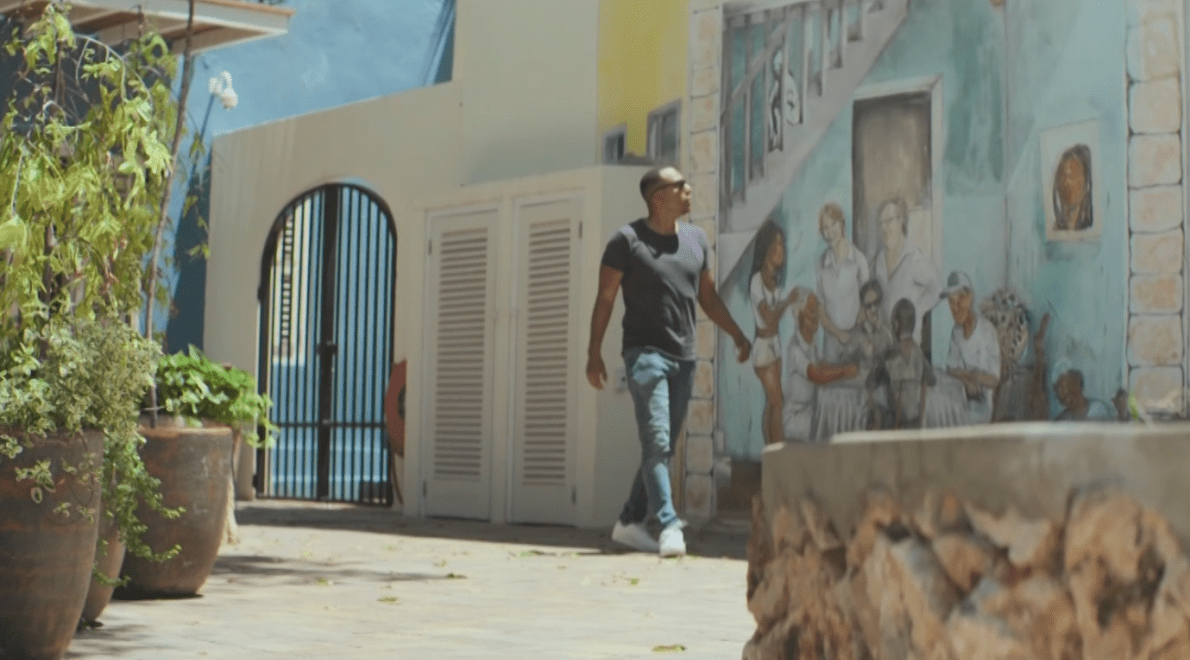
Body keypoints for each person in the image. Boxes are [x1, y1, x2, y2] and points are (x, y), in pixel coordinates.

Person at [586, 166, 751, 558]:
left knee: (659, 447)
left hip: (684, 358)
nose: (688, 189)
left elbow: (707, 298)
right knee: (657, 440)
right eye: (680, 185)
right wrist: (594, 351)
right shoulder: (626, 241)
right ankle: (668, 524)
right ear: (659, 197)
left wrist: (737, 333)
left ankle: (629, 522)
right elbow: (606, 298)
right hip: (644, 356)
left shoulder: (695, 240)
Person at [749, 220, 801, 446]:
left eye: (782, 244)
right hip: (763, 350)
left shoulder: (774, 280)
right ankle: (778, 452)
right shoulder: (756, 281)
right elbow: (769, 317)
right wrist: (788, 301)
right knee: (779, 402)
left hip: (775, 346)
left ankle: (769, 452)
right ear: (766, 248)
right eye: (776, 244)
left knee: (772, 404)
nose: (781, 250)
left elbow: (774, 313)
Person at [782, 289, 858, 443]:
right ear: (800, 314)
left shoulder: (813, 345)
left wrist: (843, 365)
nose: (816, 315)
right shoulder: (795, 347)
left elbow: (823, 365)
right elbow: (815, 373)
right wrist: (843, 371)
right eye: (811, 311)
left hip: (811, 415)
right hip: (797, 420)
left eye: (817, 311)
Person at [871, 197, 942, 347]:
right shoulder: (880, 260)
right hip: (885, 342)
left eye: (888, 221)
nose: (883, 228)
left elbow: (937, 288)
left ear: (901, 220)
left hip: (908, 343)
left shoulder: (914, 258)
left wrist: (917, 309)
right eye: (881, 223)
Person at [941, 271, 1000, 425]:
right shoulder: (956, 331)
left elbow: (994, 379)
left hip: (981, 408)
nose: (955, 308)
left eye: (960, 300)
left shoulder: (986, 330)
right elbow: (951, 368)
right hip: (960, 401)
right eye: (951, 302)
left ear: (970, 297)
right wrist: (968, 380)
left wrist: (972, 378)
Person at [815, 202, 870, 361]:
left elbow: (867, 304)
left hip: (856, 339)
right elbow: (820, 309)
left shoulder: (859, 260)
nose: (830, 232)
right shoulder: (821, 263)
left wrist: (852, 335)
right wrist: (838, 334)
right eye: (825, 228)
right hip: (831, 343)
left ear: (842, 224)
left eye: (833, 224)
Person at [876, 298, 936, 428]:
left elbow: (872, 382)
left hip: (894, 425)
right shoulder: (919, 354)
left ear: (896, 324)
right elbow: (932, 380)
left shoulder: (887, 356)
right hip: (915, 423)